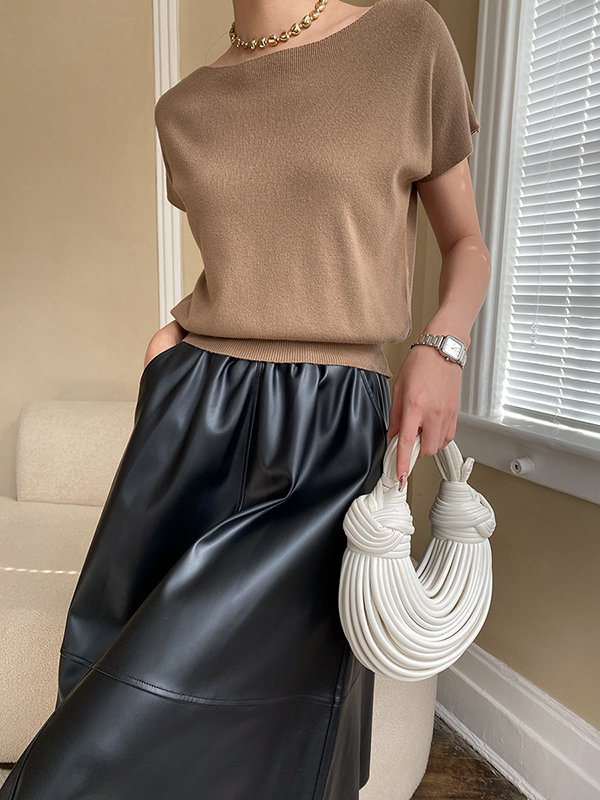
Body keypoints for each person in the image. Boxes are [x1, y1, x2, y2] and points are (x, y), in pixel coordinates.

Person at [0, 0, 491, 797]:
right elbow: (247, 259)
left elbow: (466, 243)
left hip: (331, 428)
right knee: (102, 711)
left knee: (286, 729)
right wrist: (172, 346)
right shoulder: (186, 108)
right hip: (194, 415)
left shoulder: (407, 41)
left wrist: (444, 344)